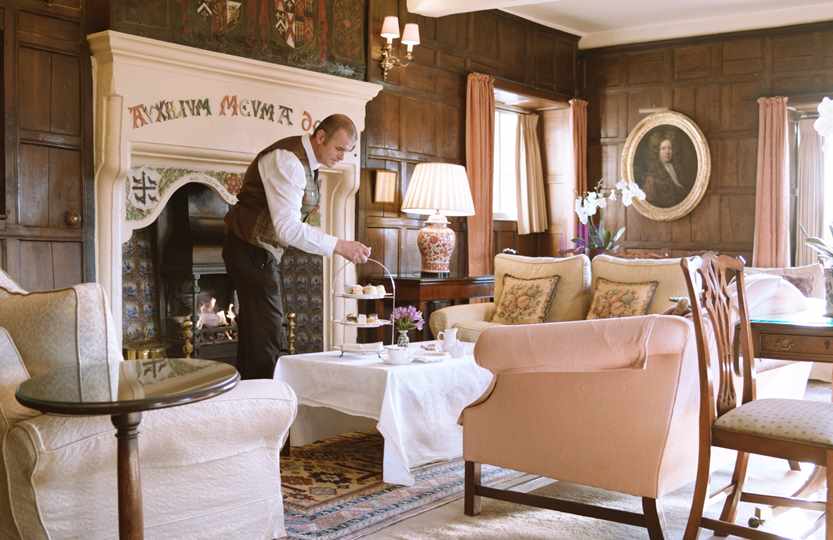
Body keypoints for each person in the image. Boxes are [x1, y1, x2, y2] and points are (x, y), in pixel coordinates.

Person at [223, 114, 371, 379]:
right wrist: (339, 245)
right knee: (267, 334)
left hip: (259, 251)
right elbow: (287, 228)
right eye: (338, 149)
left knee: (257, 333)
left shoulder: (306, 162)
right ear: (320, 137)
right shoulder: (288, 161)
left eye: (346, 152)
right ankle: (266, 405)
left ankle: (251, 404)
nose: (341, 157)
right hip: (249, 249)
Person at [639, 132, 694, 208]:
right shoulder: (651, 176)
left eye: (669, 148)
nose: (667, 152)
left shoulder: (677, 168)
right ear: (657, 151)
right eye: (663, 148)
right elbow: (651, 202)